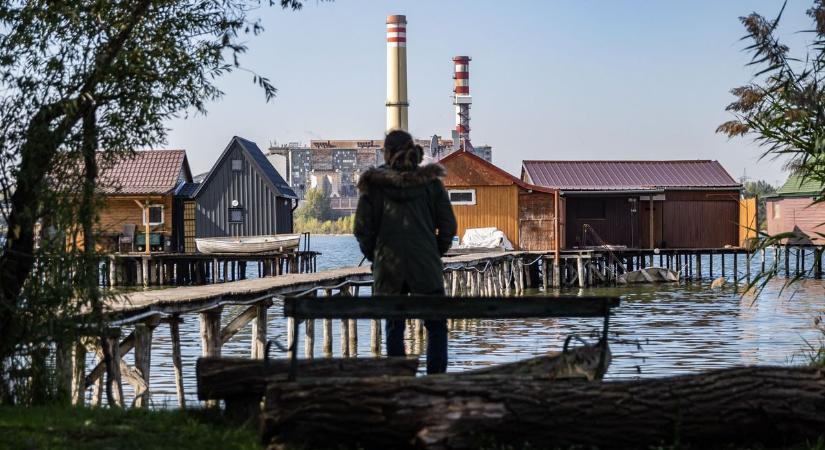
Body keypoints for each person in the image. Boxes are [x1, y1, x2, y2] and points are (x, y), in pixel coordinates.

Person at [354, 130, 457, 374]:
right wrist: (434, 251)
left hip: (389, 266)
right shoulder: (431, 182)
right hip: (425, 264)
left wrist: (376, 256)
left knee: (394, 325)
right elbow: (449, 226)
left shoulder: (374, 185)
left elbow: (361, 229)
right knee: (435, 324)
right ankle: (436, 381)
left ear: (386, 153)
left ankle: (399, 381)